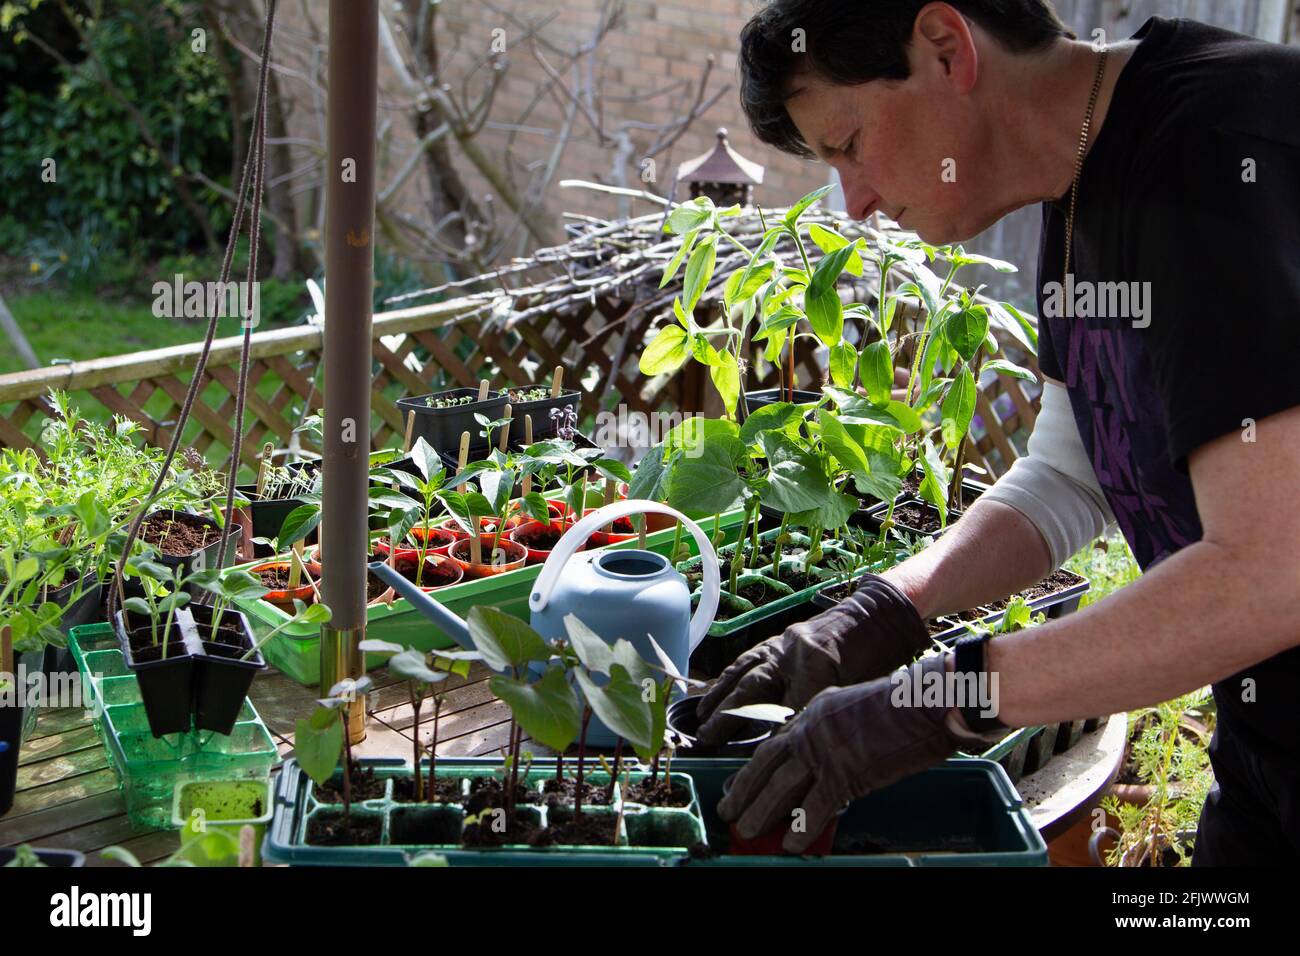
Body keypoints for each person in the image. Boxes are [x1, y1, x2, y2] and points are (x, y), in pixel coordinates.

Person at [698, 0, 1300, 863]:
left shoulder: (1215, 153)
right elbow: (1072, 473)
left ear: (945, 47)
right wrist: (888, 607)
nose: (855, 201)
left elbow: (1272, 572)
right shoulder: (1084, 174)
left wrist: (947, 695)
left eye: (848, 144)